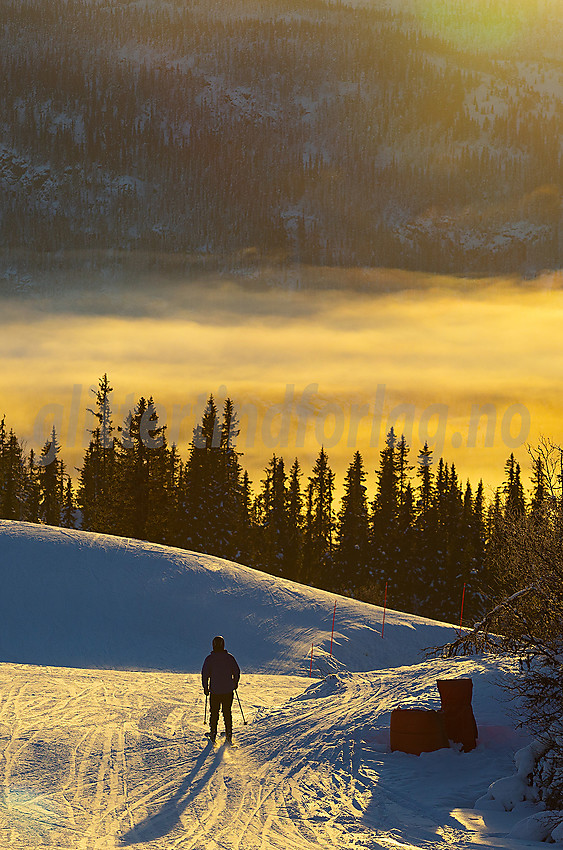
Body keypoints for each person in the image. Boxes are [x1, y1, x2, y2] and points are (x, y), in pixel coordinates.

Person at [201, 635, 240, 743]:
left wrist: (205, 688)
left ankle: (213, 734)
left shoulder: (210, 659)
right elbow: (236, 672)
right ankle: (228, 735)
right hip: (228, 690)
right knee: (227, 712)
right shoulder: (229, 658)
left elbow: (205, 674)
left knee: (214, 712)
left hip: (215, 691)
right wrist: (235, 683)